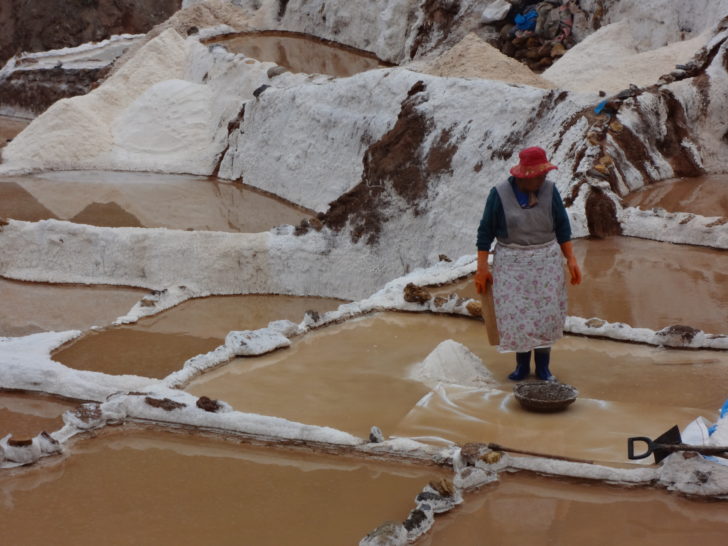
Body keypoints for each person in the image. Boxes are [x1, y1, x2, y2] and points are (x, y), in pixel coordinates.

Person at [474, 146, 581, 381]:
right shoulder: (499, 194)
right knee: (518, 317)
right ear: (525, 176)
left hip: (546, 263)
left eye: (544, 175)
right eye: (539, 176)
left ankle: (543, 367)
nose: (543, 179)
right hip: (512, 265)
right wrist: (482, 268)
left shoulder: (549, 190)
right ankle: (522, 366)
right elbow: (485, 232)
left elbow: (562, 226)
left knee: (545, 315)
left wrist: (571, 259)